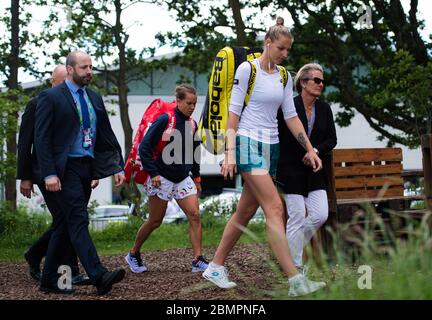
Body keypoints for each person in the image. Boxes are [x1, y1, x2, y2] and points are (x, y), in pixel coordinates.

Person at [202, 19, 326, 297]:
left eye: (288, 50)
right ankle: (295, 280)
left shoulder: (283, 75)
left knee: (245, 210)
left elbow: (290, 116)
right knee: (275, 208)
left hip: (272, 146)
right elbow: (233, 113)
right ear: (268, 44)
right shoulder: (248, 69)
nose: (285, 54)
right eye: (281, 48)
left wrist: (308, 148)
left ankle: (215, 266)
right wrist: (229, 153)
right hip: (246, 142)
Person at [34, 50, 126, 295]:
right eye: (84, 67)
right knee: (78, 219)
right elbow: (41, 139)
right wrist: (49, 174)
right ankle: (98, 275)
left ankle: (48, 281)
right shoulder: (51, 97)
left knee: (64, 224)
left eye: (91, 67)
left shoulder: (94, 97)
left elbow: (105, 134)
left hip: (86, 166)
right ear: (71, 69)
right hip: (64, 169)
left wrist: (117, 165)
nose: (89, 72)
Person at [17, 65, 92, 286]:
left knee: (67, 219)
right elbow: (25, 142)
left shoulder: (78, 103)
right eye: (60, 84)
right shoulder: (37, 103)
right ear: (52, 82)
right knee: (67, 218)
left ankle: (38, 255)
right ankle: (68, 273)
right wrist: (25, 176)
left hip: (71, 171)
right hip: (44, 172)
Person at [125, 84, 209, 273]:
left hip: (182, 178)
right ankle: (133, 254)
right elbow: (144, 148)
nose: (192, 107)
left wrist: (196, 178)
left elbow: (194, 153)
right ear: (178, 101)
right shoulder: (165, 119)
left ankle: (197, 259)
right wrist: (153, 173)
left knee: (194, 215)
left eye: (195, 103)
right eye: (188, 103)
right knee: (155, 221)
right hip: (160, 177)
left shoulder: (192, 124)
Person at [277, 63, 337, 271]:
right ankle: (295, 267)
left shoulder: (324, 108)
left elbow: (332, 139)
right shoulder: (289, 106)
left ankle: (287, 251)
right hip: (290, 169)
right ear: (303, 82)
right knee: (296, 216)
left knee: (320, 214)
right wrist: (301, 153)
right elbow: (281, 137)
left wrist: (315, 151)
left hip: (314, 170)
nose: (321, 85)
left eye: (323, 81)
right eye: (316, 80)